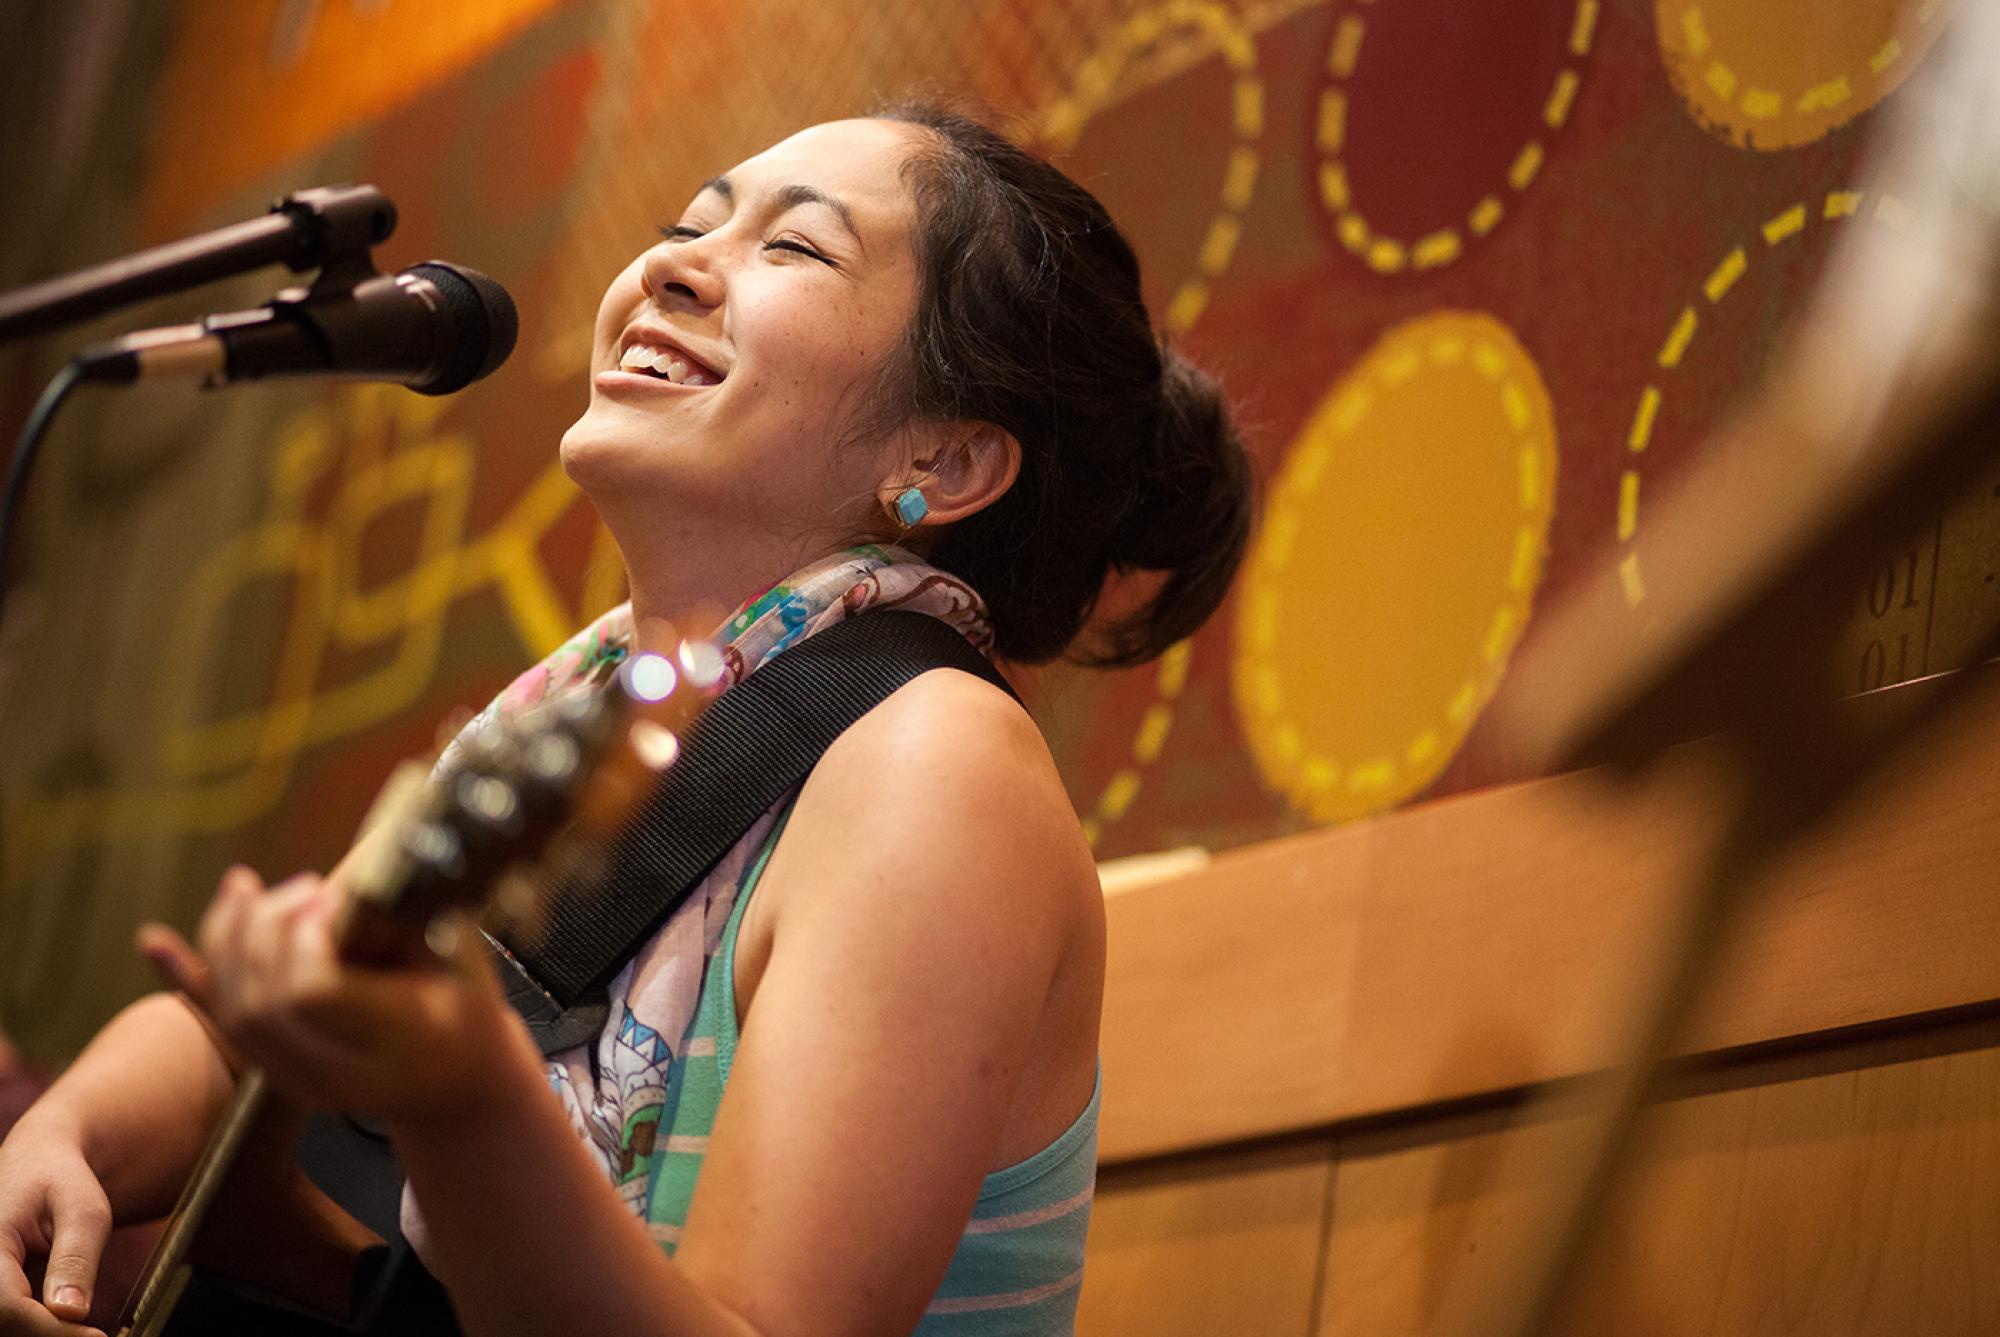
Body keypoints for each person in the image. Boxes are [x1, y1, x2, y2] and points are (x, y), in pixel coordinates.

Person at [0, 103, 1252, 1337]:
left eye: (793, 247)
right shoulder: (571, 710)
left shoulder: (932, 766)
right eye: (684, 222)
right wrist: (65, 1139)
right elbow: (251, 1018)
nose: (670, 263)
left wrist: (462, 1090)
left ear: (943, 459)